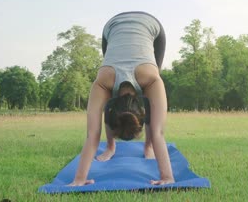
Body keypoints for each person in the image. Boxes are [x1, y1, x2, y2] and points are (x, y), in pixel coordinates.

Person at [68, 11, 175, 186]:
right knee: (152, 99)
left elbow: (92, 135)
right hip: (112, 27)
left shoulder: (151, 78)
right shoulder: (103, 81)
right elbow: (92, 135)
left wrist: (79, 179)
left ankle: (148, 147)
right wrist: (167, 178)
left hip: (147, 26)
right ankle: (111, 147)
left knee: (153, 98)